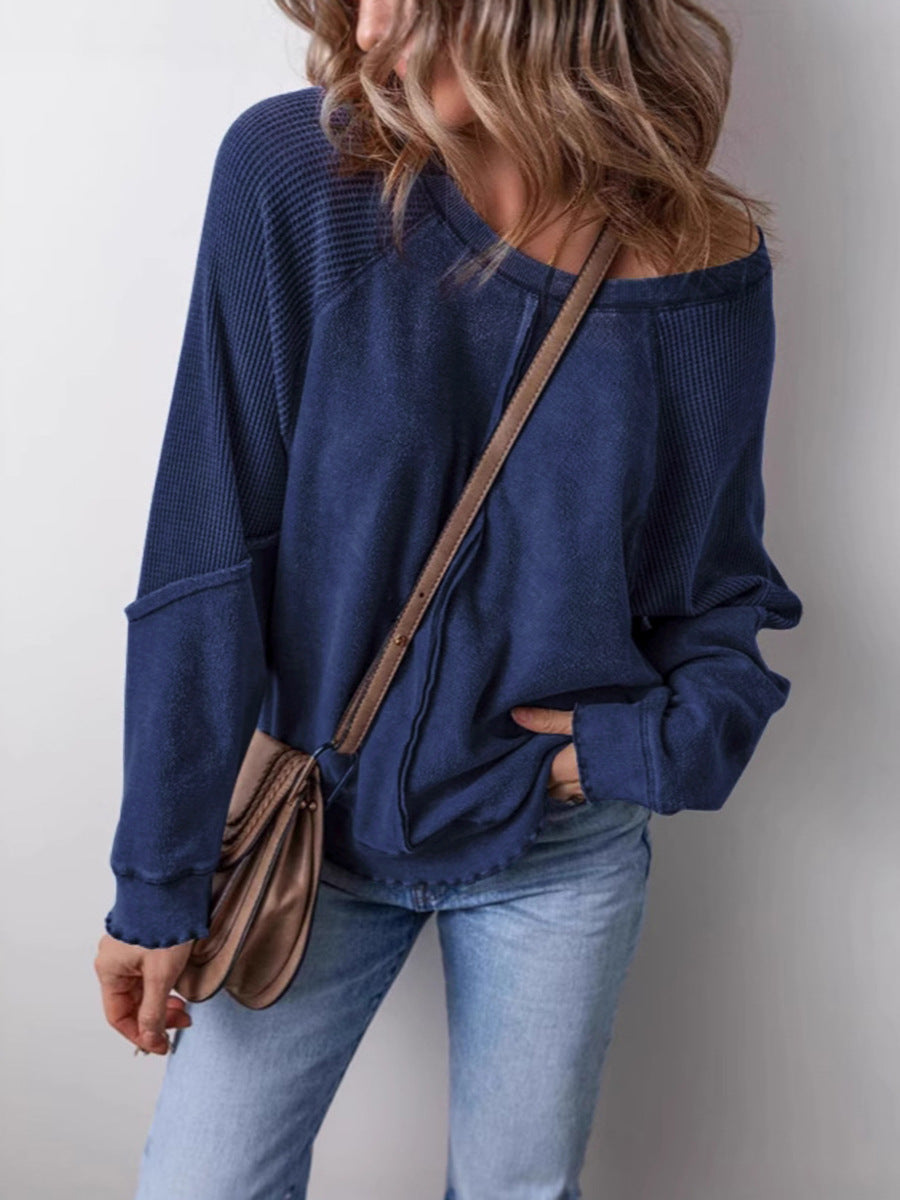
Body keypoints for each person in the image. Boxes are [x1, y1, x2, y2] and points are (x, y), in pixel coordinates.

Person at [94, 1, 803, 1196]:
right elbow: (205, 555)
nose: (373, 30)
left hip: (558, 851)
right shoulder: (298, 174)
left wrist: (624, 754)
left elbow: (715, 592)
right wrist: (154, 883)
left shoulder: (698, 257)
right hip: (310, 838)